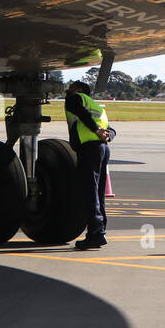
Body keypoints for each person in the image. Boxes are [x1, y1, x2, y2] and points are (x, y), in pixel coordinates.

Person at [65, 80, 113, 250]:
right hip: (103, 149)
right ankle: (100, 231)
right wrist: (106, 134)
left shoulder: (74, 99)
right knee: (98, 193)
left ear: (79, 89)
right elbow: (111, 129)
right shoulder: (97, 106)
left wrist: (96, 130)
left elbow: (81, 113)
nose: (68, 89)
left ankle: (96, 234)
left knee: (89, 192)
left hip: (89, 149)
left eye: (72, 86)